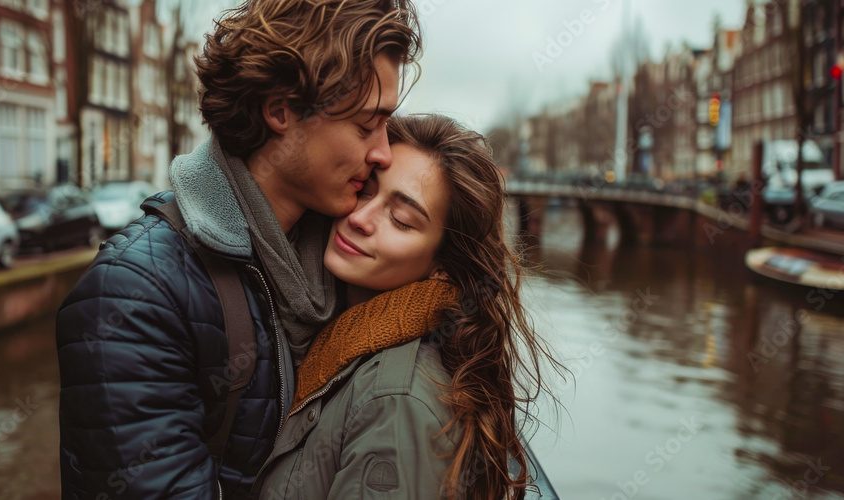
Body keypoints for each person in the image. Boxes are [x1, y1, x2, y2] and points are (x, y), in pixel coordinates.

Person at [55, 1, 421, 498]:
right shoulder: (133, 295)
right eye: (365, 126)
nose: (382, 152)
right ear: (280, 111)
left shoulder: (346, 259)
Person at [254, 114, 562, 499]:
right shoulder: (335, 343)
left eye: (401, 219)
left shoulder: (394, 404)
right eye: (366, 191)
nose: (361, 218)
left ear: (441, 267)